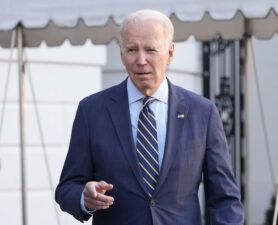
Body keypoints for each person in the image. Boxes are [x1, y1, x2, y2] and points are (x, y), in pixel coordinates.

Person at [55, 9, 244, 225]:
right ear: (121, 54)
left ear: (170, 53)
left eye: (151, 50)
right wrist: (84, 198)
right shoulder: (92, 111)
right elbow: (67, 188)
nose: (141, 60)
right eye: (132, 49)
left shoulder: (202, 112)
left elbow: (225, 199)